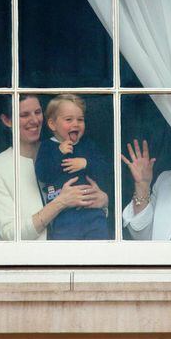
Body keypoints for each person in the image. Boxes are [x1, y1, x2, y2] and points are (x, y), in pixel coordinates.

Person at [0, 94, 109, 241]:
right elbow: (10, 234)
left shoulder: (67, 148)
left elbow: (101, 175)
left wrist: (104, 201)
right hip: (29, 260)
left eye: (37, 112)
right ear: (7, 120)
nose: (35, 120)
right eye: (24, 115)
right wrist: (60, 202)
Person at [35, 94, 109, 240]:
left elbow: (105, 169)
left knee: (100, 248)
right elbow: (42, 173)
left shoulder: (88, 145)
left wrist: (86, 163)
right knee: (66, 253)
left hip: (92, 210)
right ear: (52, 124)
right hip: (64, 214)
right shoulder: (48, 146)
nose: (76, 124)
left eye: (80, 119)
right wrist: (58, 152)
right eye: (69, 119)